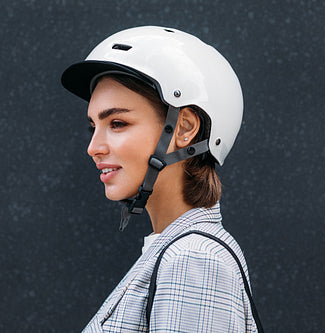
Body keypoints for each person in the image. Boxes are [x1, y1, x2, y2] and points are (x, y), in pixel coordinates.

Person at [62, 26, 263, 332]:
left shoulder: (193, 261)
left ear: (184, 129)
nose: (94, 148)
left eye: (117, 123)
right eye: (94, 126)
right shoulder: (175, 252)